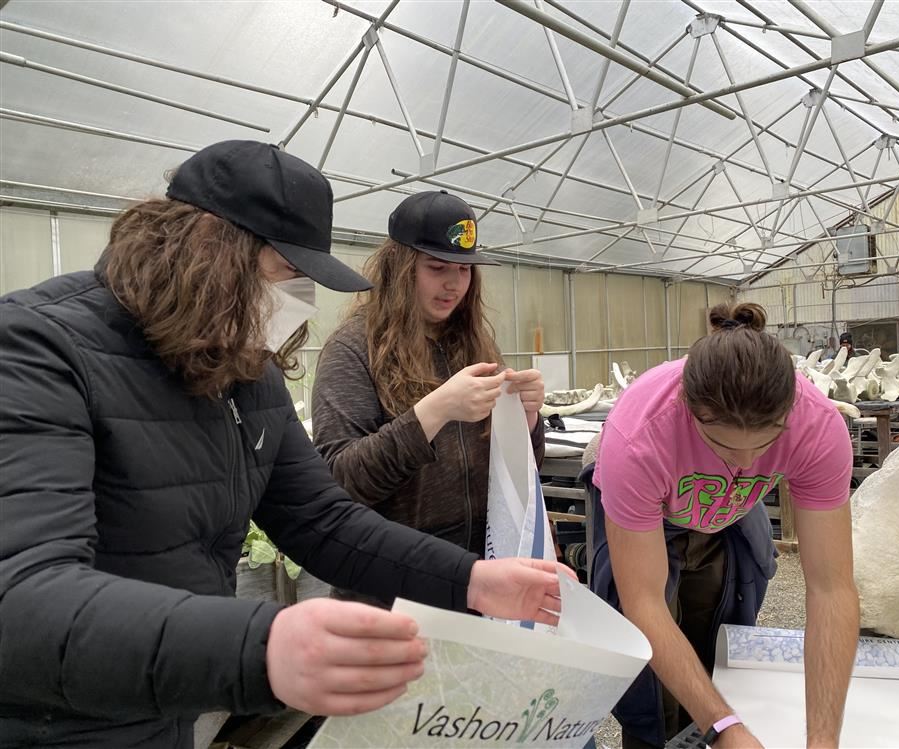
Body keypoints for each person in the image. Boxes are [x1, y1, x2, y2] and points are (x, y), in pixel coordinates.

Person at [0, 141, 567, 749]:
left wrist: (472, 579)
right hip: (53, 722)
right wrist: (263, 645)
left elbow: (321, 519)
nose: (299, 301)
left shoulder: (244, 371)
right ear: (212, 251)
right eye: (290, 273)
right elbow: (23, 596)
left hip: (166, 707)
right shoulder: (39, 349)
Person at [591, 303, 858, 748]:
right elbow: (646, 603)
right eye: (723, 445)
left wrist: (824, 738)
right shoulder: (638, 439)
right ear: (689, 412)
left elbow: (831, 588)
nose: (749, 462)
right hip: (643, 498)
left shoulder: (818, 427)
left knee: (722, 623)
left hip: (725, 506)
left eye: (767, 442)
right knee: (643, 679)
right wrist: (724, 728)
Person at [311, 190, 545, 558]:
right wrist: (432, 413)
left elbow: (512, 478)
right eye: (437, 268)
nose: (454, 284)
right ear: (399, 268)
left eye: (464, 269)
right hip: (392, 582)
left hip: (478, 574)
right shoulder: (353, 350)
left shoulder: (474, 343)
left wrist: (528, 422)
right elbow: (340, 481)